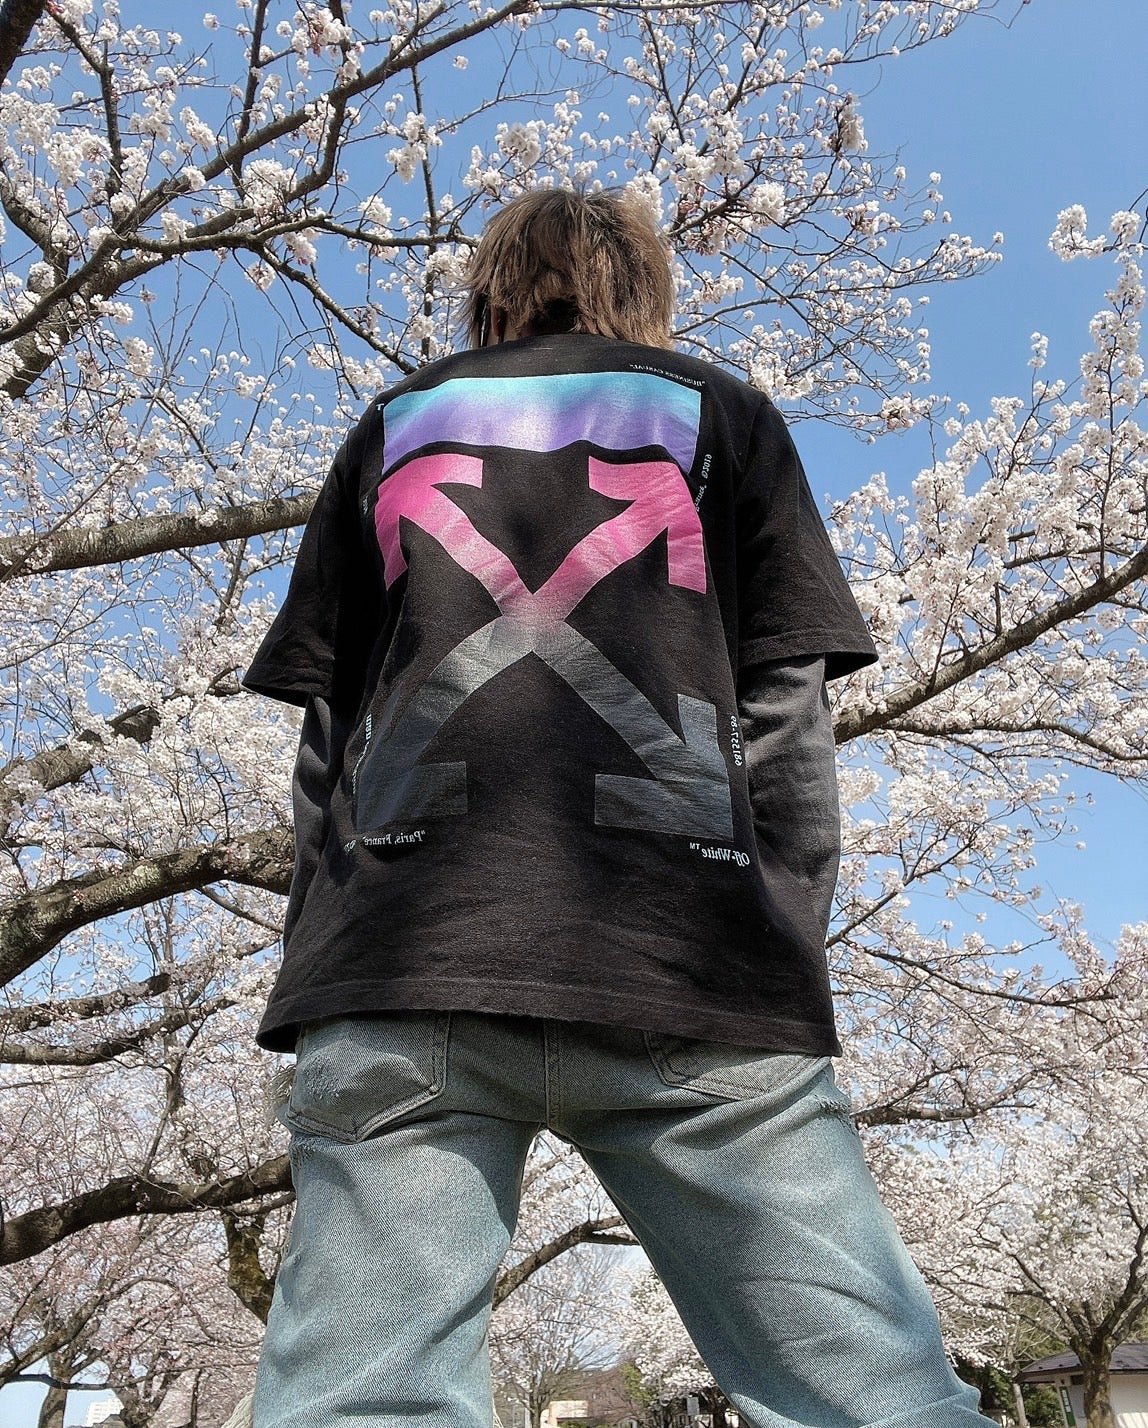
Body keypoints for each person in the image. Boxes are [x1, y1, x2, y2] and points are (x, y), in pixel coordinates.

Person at [243, 189, 995, 1428]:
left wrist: (326, 956)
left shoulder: (391, 424)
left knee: (358, 1406)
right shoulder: (725, 416)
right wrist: (775, 940)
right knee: (874, 1399)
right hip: (687, 955)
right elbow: (785, 724)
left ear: (491, 288)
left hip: (402, 955)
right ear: (642, 286)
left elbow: (330, 740)